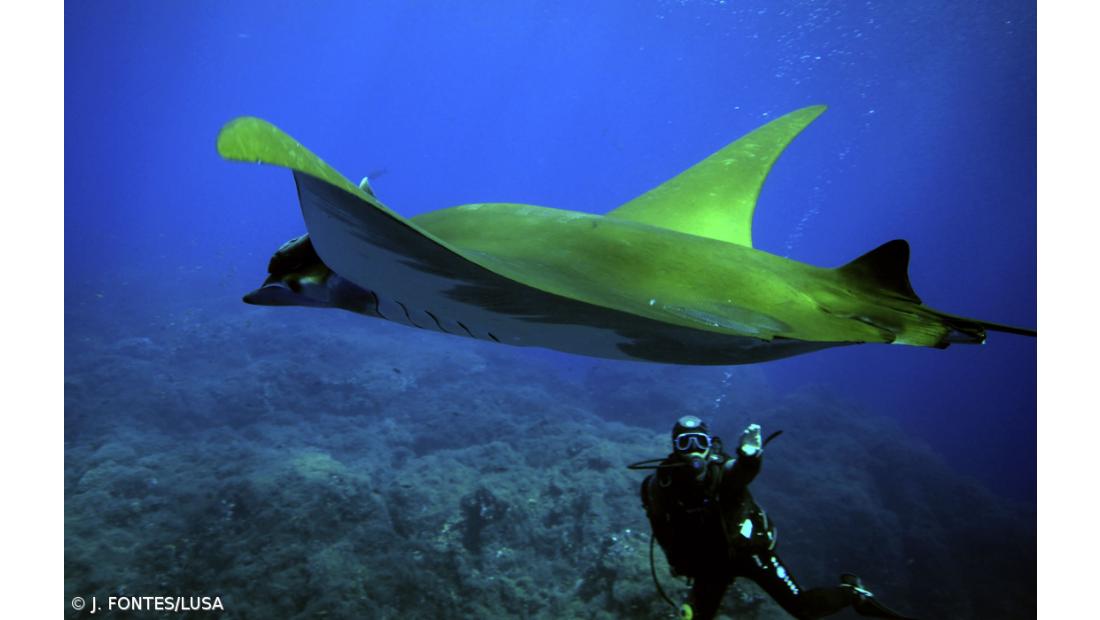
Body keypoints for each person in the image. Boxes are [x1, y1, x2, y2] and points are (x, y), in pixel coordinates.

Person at [640, 415, 915, 620]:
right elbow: (662, 530)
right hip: (711, 565)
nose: (693, 450)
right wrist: (679, 563)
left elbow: (740, 473)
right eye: (684, 443)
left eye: (699, 442)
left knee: (803, 609)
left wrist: (750, 457)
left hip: (749, 552)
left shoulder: (721, 472)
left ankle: (853, 593)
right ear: (674, 447)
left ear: (709, 445)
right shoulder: (659, 486)